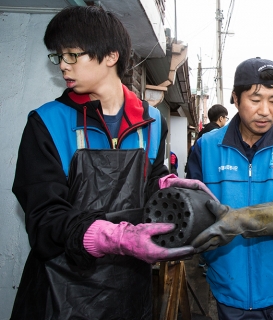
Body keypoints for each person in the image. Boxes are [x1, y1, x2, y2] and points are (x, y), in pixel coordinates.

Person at [10, 6, 211, 319]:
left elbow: (148, 178)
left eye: (73, 55)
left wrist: (167, 186)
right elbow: (44, 218)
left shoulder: (151, 120)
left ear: (111, 56)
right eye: (58, 56)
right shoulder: (46, 123)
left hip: (129, 292)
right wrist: (117, 238)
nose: (63, 65)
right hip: (59, 293)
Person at [187, 57, 273, 320]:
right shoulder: (206, 148)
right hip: (227, 287)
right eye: (255, 100)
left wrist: (240, 221)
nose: (265, 110)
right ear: (235, 98)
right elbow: (194, 211)